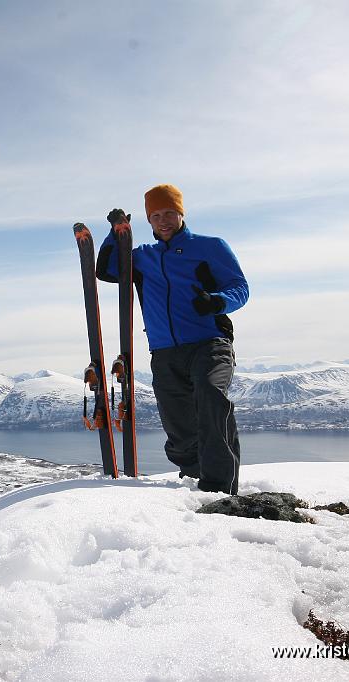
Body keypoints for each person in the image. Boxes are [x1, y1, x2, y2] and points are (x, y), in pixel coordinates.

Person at [96, 184, 248, 494]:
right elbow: (107, 271)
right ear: (149, 221)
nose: (163, 221)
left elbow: (239, 288)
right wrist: (117, 233)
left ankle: (218, 489)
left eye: (169, 213)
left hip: (210, 343)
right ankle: (192, 479)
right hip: (164, 351)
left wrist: (216, 301)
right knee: (178, 426)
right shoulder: (142, 258)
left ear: (181, 213)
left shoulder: (210, 247)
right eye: (155, 216)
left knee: (210, 398)